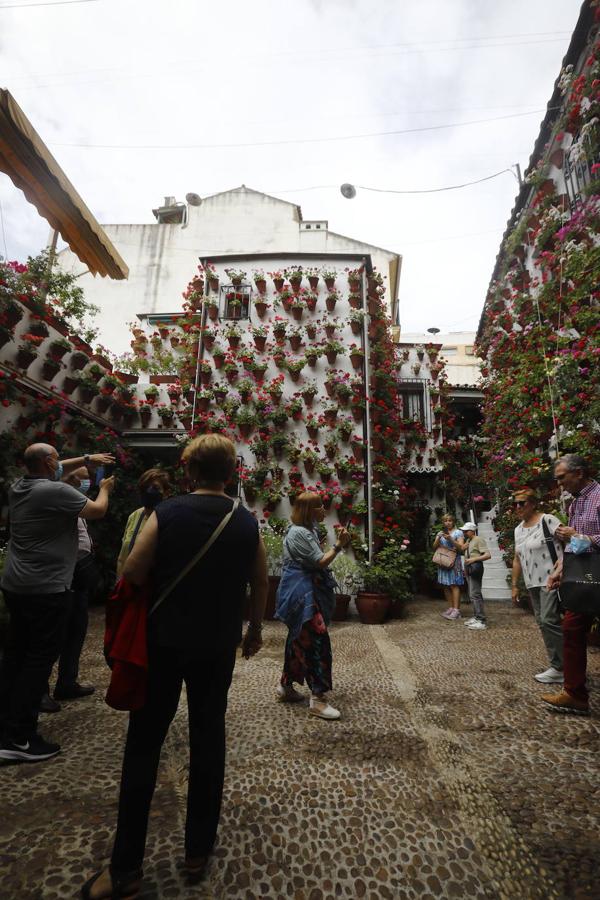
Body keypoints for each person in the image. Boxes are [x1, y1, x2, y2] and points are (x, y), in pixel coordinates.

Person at [80, 434, 267, 900]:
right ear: (231, 473)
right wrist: (255, 631)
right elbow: (260, 581)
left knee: (144, 746)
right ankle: (197, 851)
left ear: (187, 471)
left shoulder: (166, 514)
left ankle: (124, 871)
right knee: (209, 740)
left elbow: (133, 573)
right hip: (216, 648)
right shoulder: (245, 522)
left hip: (161, 646)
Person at [0, 445, 115, 763]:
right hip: (46, 588)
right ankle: (20, 738)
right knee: (38, 660)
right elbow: (98, 510)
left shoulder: (19, 485)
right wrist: (104, 489)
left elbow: (54, 464)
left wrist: (87, 460)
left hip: (17, 585)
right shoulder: (53, 492)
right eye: (56, 459)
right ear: (49, 463)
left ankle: (5, 728)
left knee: (15, 656)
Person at [275, 491, 351, 721]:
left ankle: (285, 686)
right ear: (310, 510)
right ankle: (318, 700)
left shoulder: (309, 530)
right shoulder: (299, 533)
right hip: (302, 594)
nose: (324, 510)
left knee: (298, 638)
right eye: (320, 507)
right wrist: (339, 545)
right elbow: (320, 561)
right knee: (317, 642)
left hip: (307, 590)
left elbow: (316, 555)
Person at [541, 454, 600, 716]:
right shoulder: (574, 505)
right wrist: (559, 570)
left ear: (579, 473)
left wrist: (579, 536)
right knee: (572, 627)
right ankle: (575, 693)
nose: (560, 484)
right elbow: (572, 548)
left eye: (562, 478)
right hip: (582, 577)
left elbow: (580, 539)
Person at [39, 467, 99, 714]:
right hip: (61, 573)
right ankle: (39, 691)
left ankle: (67, 682)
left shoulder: (74, 502)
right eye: (77, 478)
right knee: (53, 633)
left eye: (84, 479)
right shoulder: (52, 498)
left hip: (80, 570)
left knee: (76, 629)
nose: (81, 483)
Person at [511, 488, 564, 684]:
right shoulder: (518, 529)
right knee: (543, 623)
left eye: (522, 503)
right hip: (532, 582)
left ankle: (562, 668)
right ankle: (558, 664)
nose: (517, 507)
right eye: (515, 504)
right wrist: (515, 585)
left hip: (551, 579)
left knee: (549, 620)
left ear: (533, 503)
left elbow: (569, 543)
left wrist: (563, 566)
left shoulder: (547, 520)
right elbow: (517, 559)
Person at [116, 468, 171, 579]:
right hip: (127, 587)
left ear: (166, 493)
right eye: (145, 487)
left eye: (155, 488)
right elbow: (123, 556)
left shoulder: (170, 519)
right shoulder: (135, 516)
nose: (149, 491)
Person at [433, 514, 465, 620]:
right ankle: (451, 608)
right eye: (445, 521)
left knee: (454, 585)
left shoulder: (458, 532)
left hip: (454, 562)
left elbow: (461, 548)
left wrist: (451, 539)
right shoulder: (441, 533)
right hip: (443, 561)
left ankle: (457, 610)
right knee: (445, 585)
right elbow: (434, 547)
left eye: (450, 520)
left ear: (453, 521)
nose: (448, 522)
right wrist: (438, 537)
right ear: (443, 523)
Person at [460, 522, 491, 631]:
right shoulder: (469, 540)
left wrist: (473, 559)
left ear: (472, 531)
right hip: (469, 568)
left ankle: (481, 620)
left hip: (475, 568)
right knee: (473, 593)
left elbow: (487, 555)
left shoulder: (478, 539)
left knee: (475, 594)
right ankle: (477, 616)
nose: (464, 533)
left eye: (466, 531)